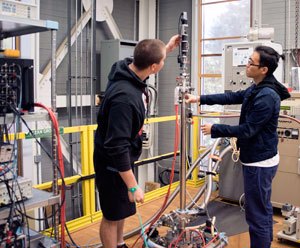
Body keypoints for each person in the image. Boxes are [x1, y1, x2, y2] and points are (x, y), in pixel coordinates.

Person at [185, 45, 290, 248]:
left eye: (251, 62)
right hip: (260, 157)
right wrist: (199, 98)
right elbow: (232, 96)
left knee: (256, 213)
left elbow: (249, 129)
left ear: (264, 69)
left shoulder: (267, 96)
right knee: (262, 208)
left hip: (260, 162)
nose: (246, 65)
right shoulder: (258, 86)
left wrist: (215, 128)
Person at [93, 35, 180, 248]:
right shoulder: (125, 98)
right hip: (112, 162)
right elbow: (116, 146)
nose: (162, 64)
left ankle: (120, 243)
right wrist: (133, 187)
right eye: (162, 61)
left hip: (122, 160)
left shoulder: (125, 69)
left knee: (122, 209)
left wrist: (165, 49)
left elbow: (148, 59)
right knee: (112, 215)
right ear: (153, 67)